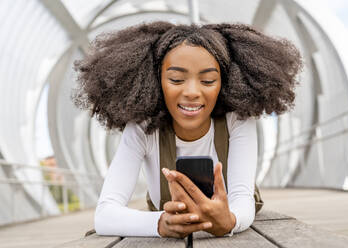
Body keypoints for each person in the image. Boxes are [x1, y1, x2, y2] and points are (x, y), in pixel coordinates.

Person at [72, 21, 302, 238]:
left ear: (225, 83)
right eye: (176, 79)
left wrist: (230, 220)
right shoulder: (143, 129)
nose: (192, 92)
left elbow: (242, 200)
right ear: (156, 81)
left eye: (208, 81)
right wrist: (161, 223)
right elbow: (104, 215)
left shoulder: (238, 121)